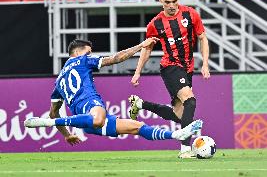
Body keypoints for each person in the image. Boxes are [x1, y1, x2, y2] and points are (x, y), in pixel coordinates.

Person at [24, 39, 203, 146]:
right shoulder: (82, 61)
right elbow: (116, 58)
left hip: (83, 121)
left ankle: (176, 135)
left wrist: (66, 135)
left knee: (137, 127)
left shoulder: (58, 82)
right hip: (91, 106)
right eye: (88, 51)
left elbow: (53, 111)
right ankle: (46, 123)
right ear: (78, 52)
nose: (90, 54)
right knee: (98, 118)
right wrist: (141, 46)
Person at [128, 0, 210, 158]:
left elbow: (203, 38)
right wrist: (137, 72)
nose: (171, 6)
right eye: (167, 2)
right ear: (160, 0)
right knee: (191, 101)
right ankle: (185, 150)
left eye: (174, 1)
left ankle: (140, 104)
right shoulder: (155, 24)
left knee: (180, 116)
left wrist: (205, 64)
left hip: (187, 68)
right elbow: (147, 48)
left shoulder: (190, 14)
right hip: (170, 67)